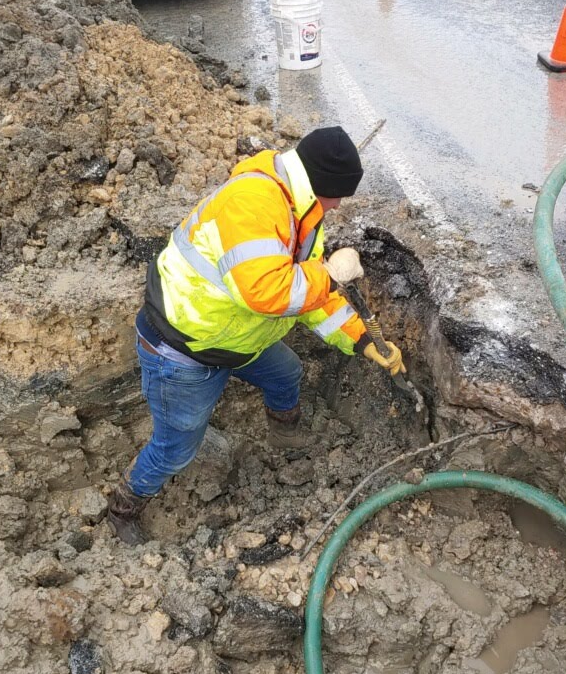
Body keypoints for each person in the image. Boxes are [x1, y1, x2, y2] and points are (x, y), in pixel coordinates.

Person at [107, 126, 406, 544]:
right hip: (182, 349)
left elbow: (307, 296)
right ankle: (123, 507)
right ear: (321, 184)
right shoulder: (253, 202)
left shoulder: (299, 211)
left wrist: (363, 340)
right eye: (338, 195)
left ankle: (284, 434)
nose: (338, 206)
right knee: (176, 446)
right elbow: (267, 290)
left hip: (234, 338)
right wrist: (330, 275)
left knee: (287, 373)